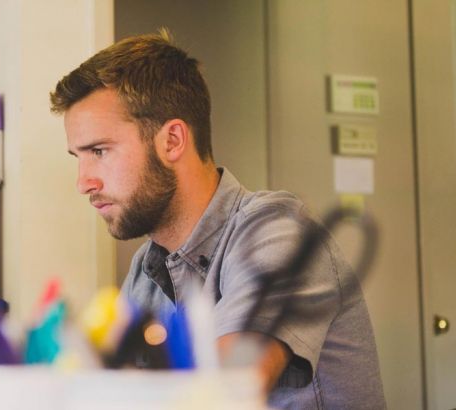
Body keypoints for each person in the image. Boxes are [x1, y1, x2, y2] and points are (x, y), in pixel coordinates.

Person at [50, 30, 386, 409]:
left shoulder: (278, 232)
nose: (84, 182)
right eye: (77, 157)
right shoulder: (145, 272)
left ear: (173, 141)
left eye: (99, 151)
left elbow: (227, 391)